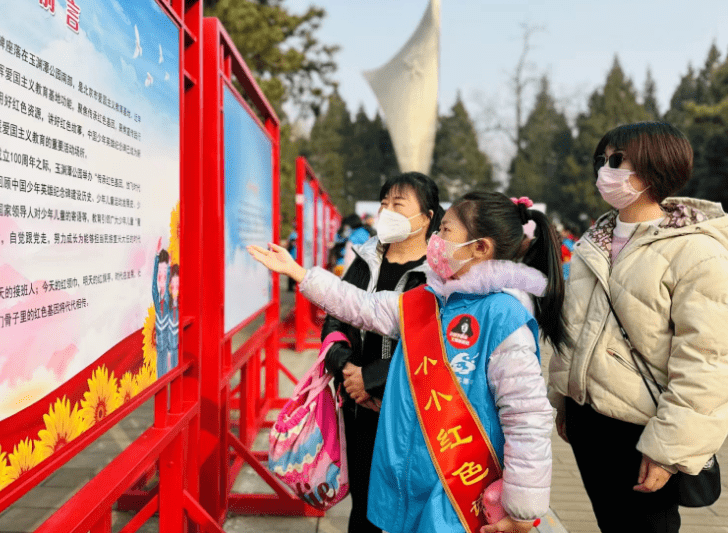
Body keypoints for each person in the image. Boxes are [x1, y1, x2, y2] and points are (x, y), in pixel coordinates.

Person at [249, 191, 567, 533]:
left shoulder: (504, 317)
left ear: (480, 248)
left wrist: (521, 510)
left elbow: (526, 416)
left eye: (445, 231)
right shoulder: (425, 301)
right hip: (407, 481)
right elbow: (360, 305)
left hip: (458, 492)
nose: (435, 240)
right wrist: (298, 273)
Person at [548, 122, 728, 533]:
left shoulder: (697, 250)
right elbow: (575, 328)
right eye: (602, 160)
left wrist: (669, 449)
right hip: (587, 418)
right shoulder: (594, 239)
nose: (604, 171)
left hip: (645, 430)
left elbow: (707, 362)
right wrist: (562, 397)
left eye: (616, 161)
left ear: (655, 168)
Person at [320, 172, 443, 533]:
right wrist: (348, 370)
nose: (386, 211)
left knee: (412, 505)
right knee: (365, 503)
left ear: (427, 218)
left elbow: (436, 344)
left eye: (398, 204)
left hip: (412, 411)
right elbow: (334, 320)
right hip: (360, 409)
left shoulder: (438, 274)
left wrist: (373, 378)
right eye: (384, 203)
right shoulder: (364, 261)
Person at [152, 241, 171, 378]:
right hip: (160, 346)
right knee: (160, 376)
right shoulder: (156, 297)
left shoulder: (168, 298)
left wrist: (167, 266)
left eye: (165, 277)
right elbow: (154, 283)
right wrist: (157, 256)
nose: (161, 280)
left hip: (170, 345)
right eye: (160, 277)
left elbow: (167, 275)